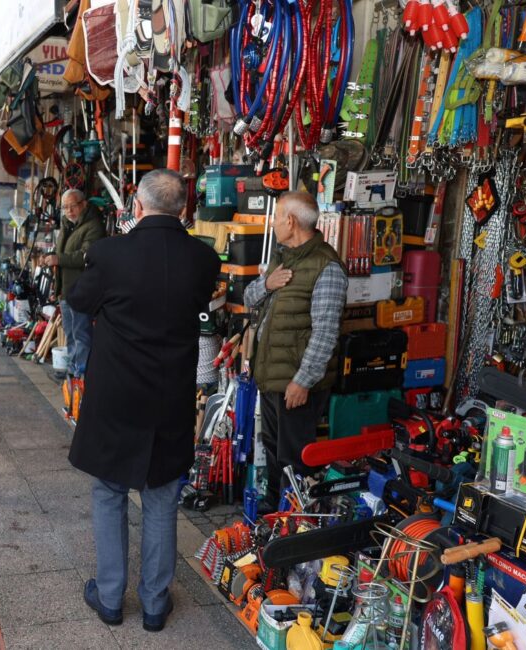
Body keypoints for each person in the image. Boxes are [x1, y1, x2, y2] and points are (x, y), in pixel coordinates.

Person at [66, 169, 220, 633]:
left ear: (137, 206)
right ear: (183, 210)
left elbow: (78, 300)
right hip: (170, 396)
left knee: (111, 491)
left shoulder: (110, 253)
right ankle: (155, 603)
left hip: (116, 395)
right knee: (161, 496)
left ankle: (110, 598)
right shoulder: (203, 257)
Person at [244, 191, 346, 514]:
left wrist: (302, 381)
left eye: (276, 218)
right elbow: (248, 298)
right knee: (274, 452)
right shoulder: (283, 257)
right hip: (271, 378)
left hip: (296, 385)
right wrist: (267, 284)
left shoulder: (326, 267)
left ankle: (297, 524)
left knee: (296, 459)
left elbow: (326, 332)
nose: (273, 224)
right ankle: (274, 514)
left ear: (290, 221)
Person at [41, 189, 104, 417]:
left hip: (82, 291)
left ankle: (81, 378)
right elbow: (63, 253)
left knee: (81, 335)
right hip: (67, 292)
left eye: (72, 206)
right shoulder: (68, 225)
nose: (68, 211)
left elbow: (87, 256)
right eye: (65, 207)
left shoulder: (93, 226)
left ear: (84, 204)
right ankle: (72, 375)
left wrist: (59, 259)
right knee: (70, 333)